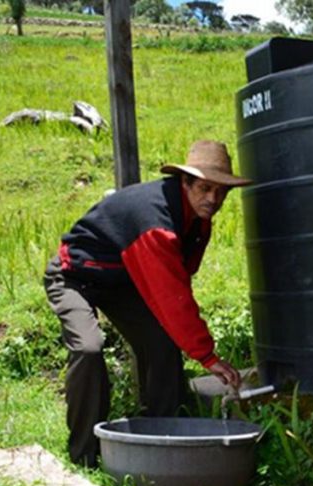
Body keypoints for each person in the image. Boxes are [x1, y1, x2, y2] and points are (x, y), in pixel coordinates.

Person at [44, 140, 250, 467]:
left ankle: (162, 433)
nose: (214, 199)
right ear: (185, 182)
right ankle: (84, 455)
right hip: (74, 276)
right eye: (206, 188)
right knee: (89, 348)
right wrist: (207, 356)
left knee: (162, 340)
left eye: (222, 192)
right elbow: (172, 296)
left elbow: (181, 276)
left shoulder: (198, 219)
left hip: (123, 281)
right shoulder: (156, 223)